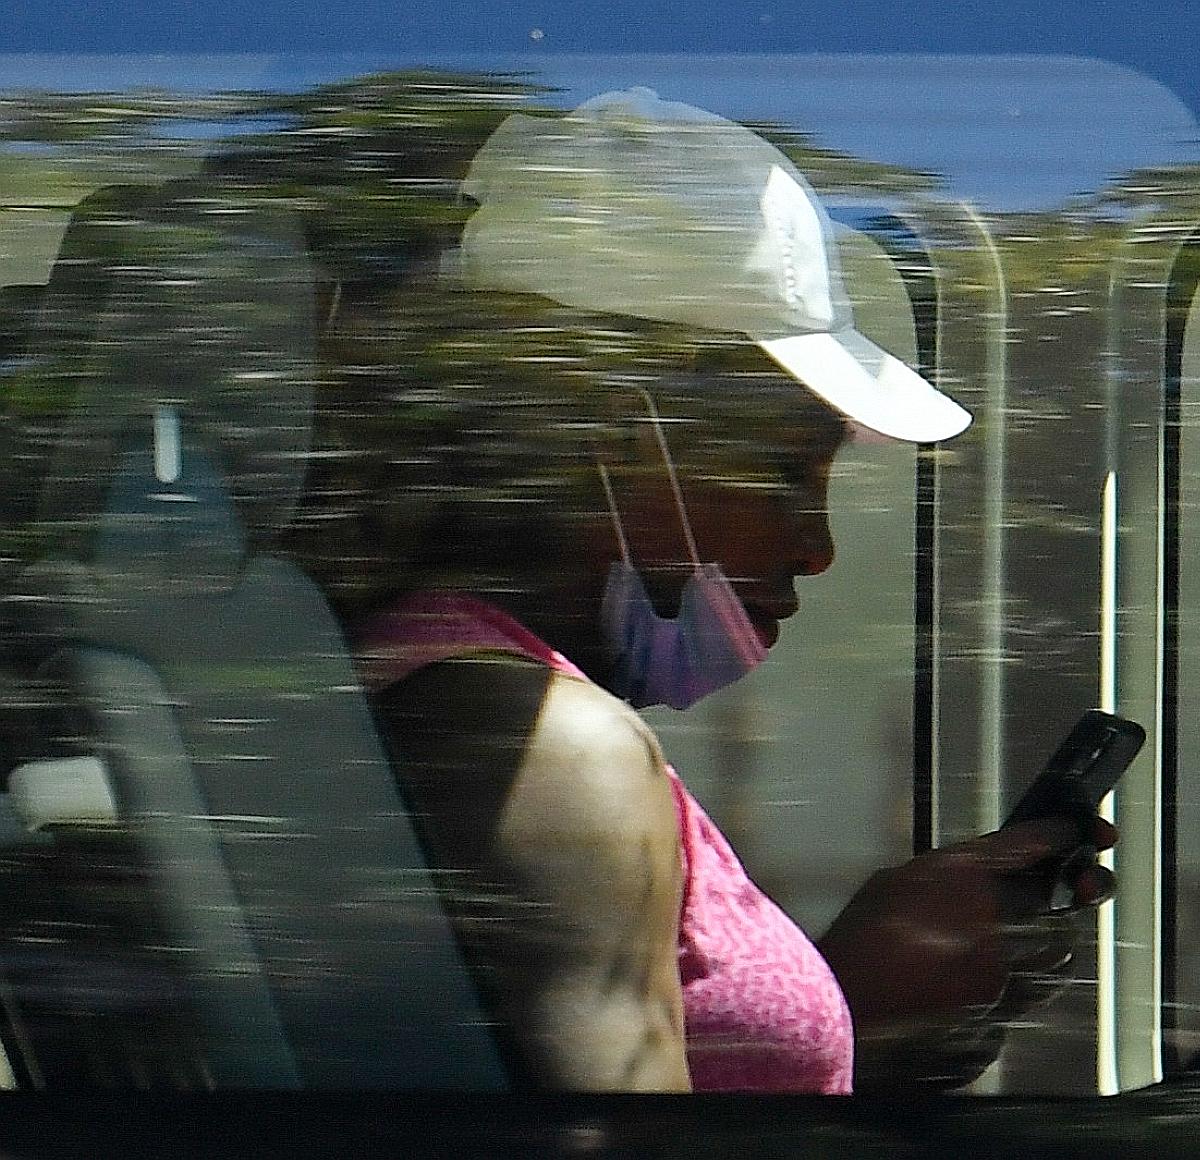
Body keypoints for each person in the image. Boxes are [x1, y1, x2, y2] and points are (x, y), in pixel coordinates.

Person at [292, 88, 1116, 1093]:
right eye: (785, 471)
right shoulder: (550, 750)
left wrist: (864, 1015)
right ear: (620, 427)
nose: (815, 548)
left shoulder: (464, 692)